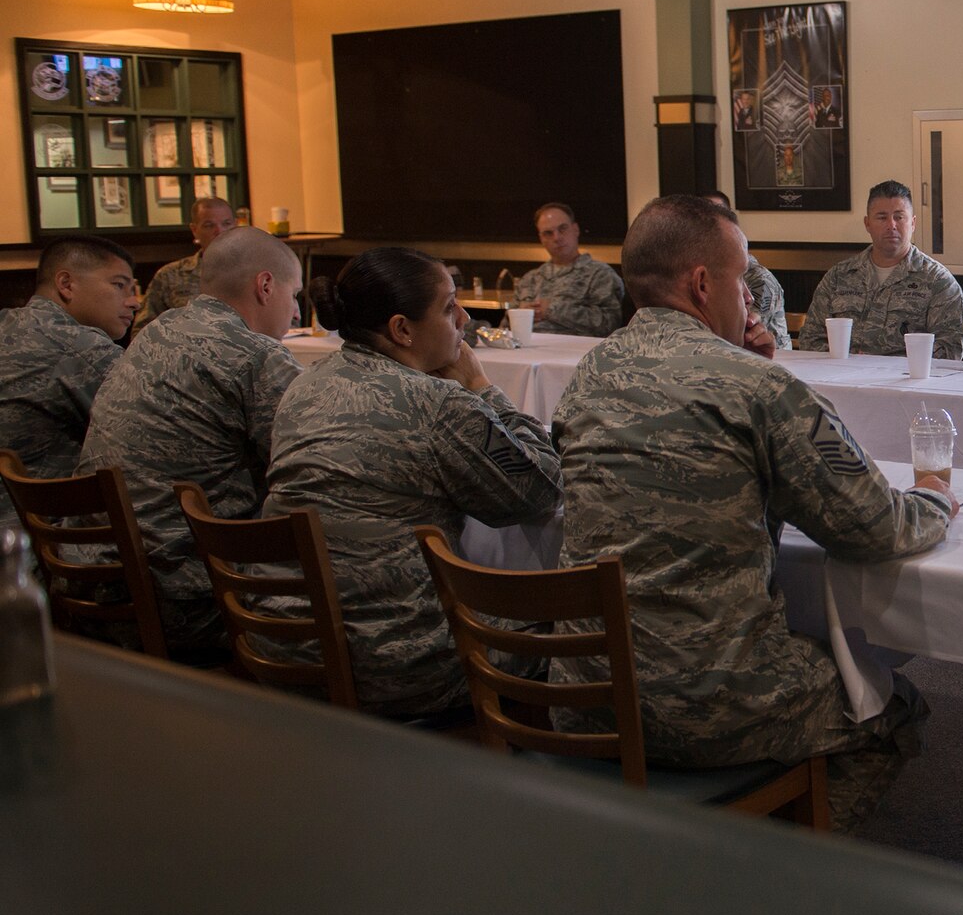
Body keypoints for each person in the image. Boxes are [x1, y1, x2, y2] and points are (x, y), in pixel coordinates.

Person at [552, 195, 956, 829]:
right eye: (742, 279)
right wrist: (935, 496)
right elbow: (878, 528)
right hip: (710, 700)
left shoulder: (590, 372)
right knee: (893, 712)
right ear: (703, 283)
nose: (750, 299)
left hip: (588, 688)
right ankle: (776, 876)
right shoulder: (761, 389)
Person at [263, 247, 562, 718]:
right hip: (392, 663)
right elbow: (539, 491)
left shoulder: (305, 385)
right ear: (402, 329)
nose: (463, 317)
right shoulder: (437, 403)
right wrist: (482, 388)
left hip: (287, 644)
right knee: (579, 626)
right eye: (448, 307)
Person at [77, 229, 303, 658]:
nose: (294, 315)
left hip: (95, 577)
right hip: (186, 598)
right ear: (266, 285)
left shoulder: (156, 331)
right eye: (294, 295)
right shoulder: (254, 355)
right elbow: (318, 467)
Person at [0, 236, 139, 529]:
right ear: (66, 284)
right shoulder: (80, 347)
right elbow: (160, 428)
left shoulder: (7, 323)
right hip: (39, 544)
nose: (133, 300)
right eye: (118, 285)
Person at [797, 180, 963, 359]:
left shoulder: (937, 281)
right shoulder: (839, 277)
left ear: (913, 223)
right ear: (867, 224)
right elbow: (811, 337)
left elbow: (950, 347)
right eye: (882, 217)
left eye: (899, 217)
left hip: (906, 381)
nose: (891, 225)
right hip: (840, 379)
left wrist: (887, 368)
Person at [512, 202, 626, 337]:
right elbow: (505, 328)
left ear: (576, 229)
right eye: (548, 233)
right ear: (541, 238)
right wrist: (520, 316)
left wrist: (552, 309)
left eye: (562, 229)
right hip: (523, 352)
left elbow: (609, 325)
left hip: (575, 353)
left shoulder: (600, 274)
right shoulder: (529, 279)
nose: (557, 238)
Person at [132, 196, 237, 333]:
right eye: (209, 225)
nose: (219, 231)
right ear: (194, 230)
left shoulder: (255, 271)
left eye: (226, 224)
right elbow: (143, 330)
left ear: (235, 225)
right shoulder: (170, 275)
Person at [703, 189, 789, 350]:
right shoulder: (698, 276)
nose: (709, 225)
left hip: (771, 362)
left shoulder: (758, 279)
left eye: (717, 216)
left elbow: (743, 331)